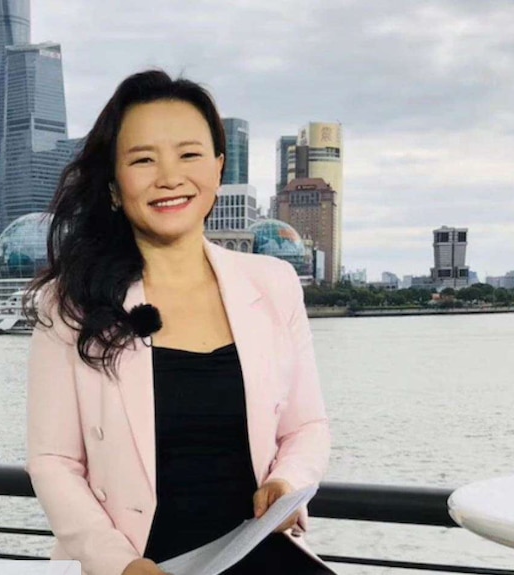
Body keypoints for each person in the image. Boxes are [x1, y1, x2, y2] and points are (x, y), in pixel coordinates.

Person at [24, 69, 334, 575]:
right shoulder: (71, 302)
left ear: (217, 168)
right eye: (143, 159)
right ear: (113, 185)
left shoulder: (273, 283)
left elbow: (307, 427)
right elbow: (54, 462)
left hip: (256, 550)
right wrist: (120, 565)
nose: (169, 177)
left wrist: (287, 482)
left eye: (189, 155)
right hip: (141, 564)